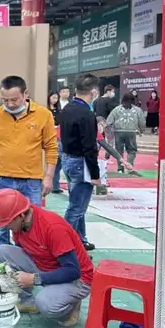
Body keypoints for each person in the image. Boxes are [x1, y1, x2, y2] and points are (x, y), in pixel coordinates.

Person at [0, 75, 58, 264]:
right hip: (0, 179)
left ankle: (28, 266)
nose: (10, 104)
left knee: (31, 226)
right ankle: (0, 265)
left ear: (25, 94)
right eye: (5, 100)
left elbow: (51, 148)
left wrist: (48, 177)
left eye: (14, 100)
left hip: (31, 181)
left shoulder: (43, 115)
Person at [0, 189, 93, 326]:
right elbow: (23, 253)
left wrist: (34, 279)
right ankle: (28, 302)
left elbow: (73, 271)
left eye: (7, 223)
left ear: (21, 215)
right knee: (3, 251)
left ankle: (71, 308)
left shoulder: (53, 228)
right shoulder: (20, 224)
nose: (5, 227)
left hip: (77, 279)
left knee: (46, 305)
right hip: (46, 265)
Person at [57, 73, 101, 251]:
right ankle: (62, 244)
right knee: (77, 207)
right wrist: (95, 174)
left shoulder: (67, 108)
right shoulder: (86, 114)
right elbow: (89, 147)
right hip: (80, 163)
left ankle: (80, 239)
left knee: (77, 203)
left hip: (68, 159)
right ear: (93, 91)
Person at [106, 92, 146, 171]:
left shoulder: (117, 109)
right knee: (132, 150)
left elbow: (109, 122)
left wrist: (109, 132)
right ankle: (129, 167)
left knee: (119, 151)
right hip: (131, 132)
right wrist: (141, 130)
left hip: (118, 132)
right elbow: (142, 122)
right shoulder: (137, 110)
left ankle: (120, 169)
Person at [48, 91, 64, 195]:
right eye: (53, 97)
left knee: (58, 164)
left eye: (56, 98)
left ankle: (55, 186)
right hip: (49, 137)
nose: (55, 100)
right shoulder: (45, 110)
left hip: (58, 136)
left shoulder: (59, 111)